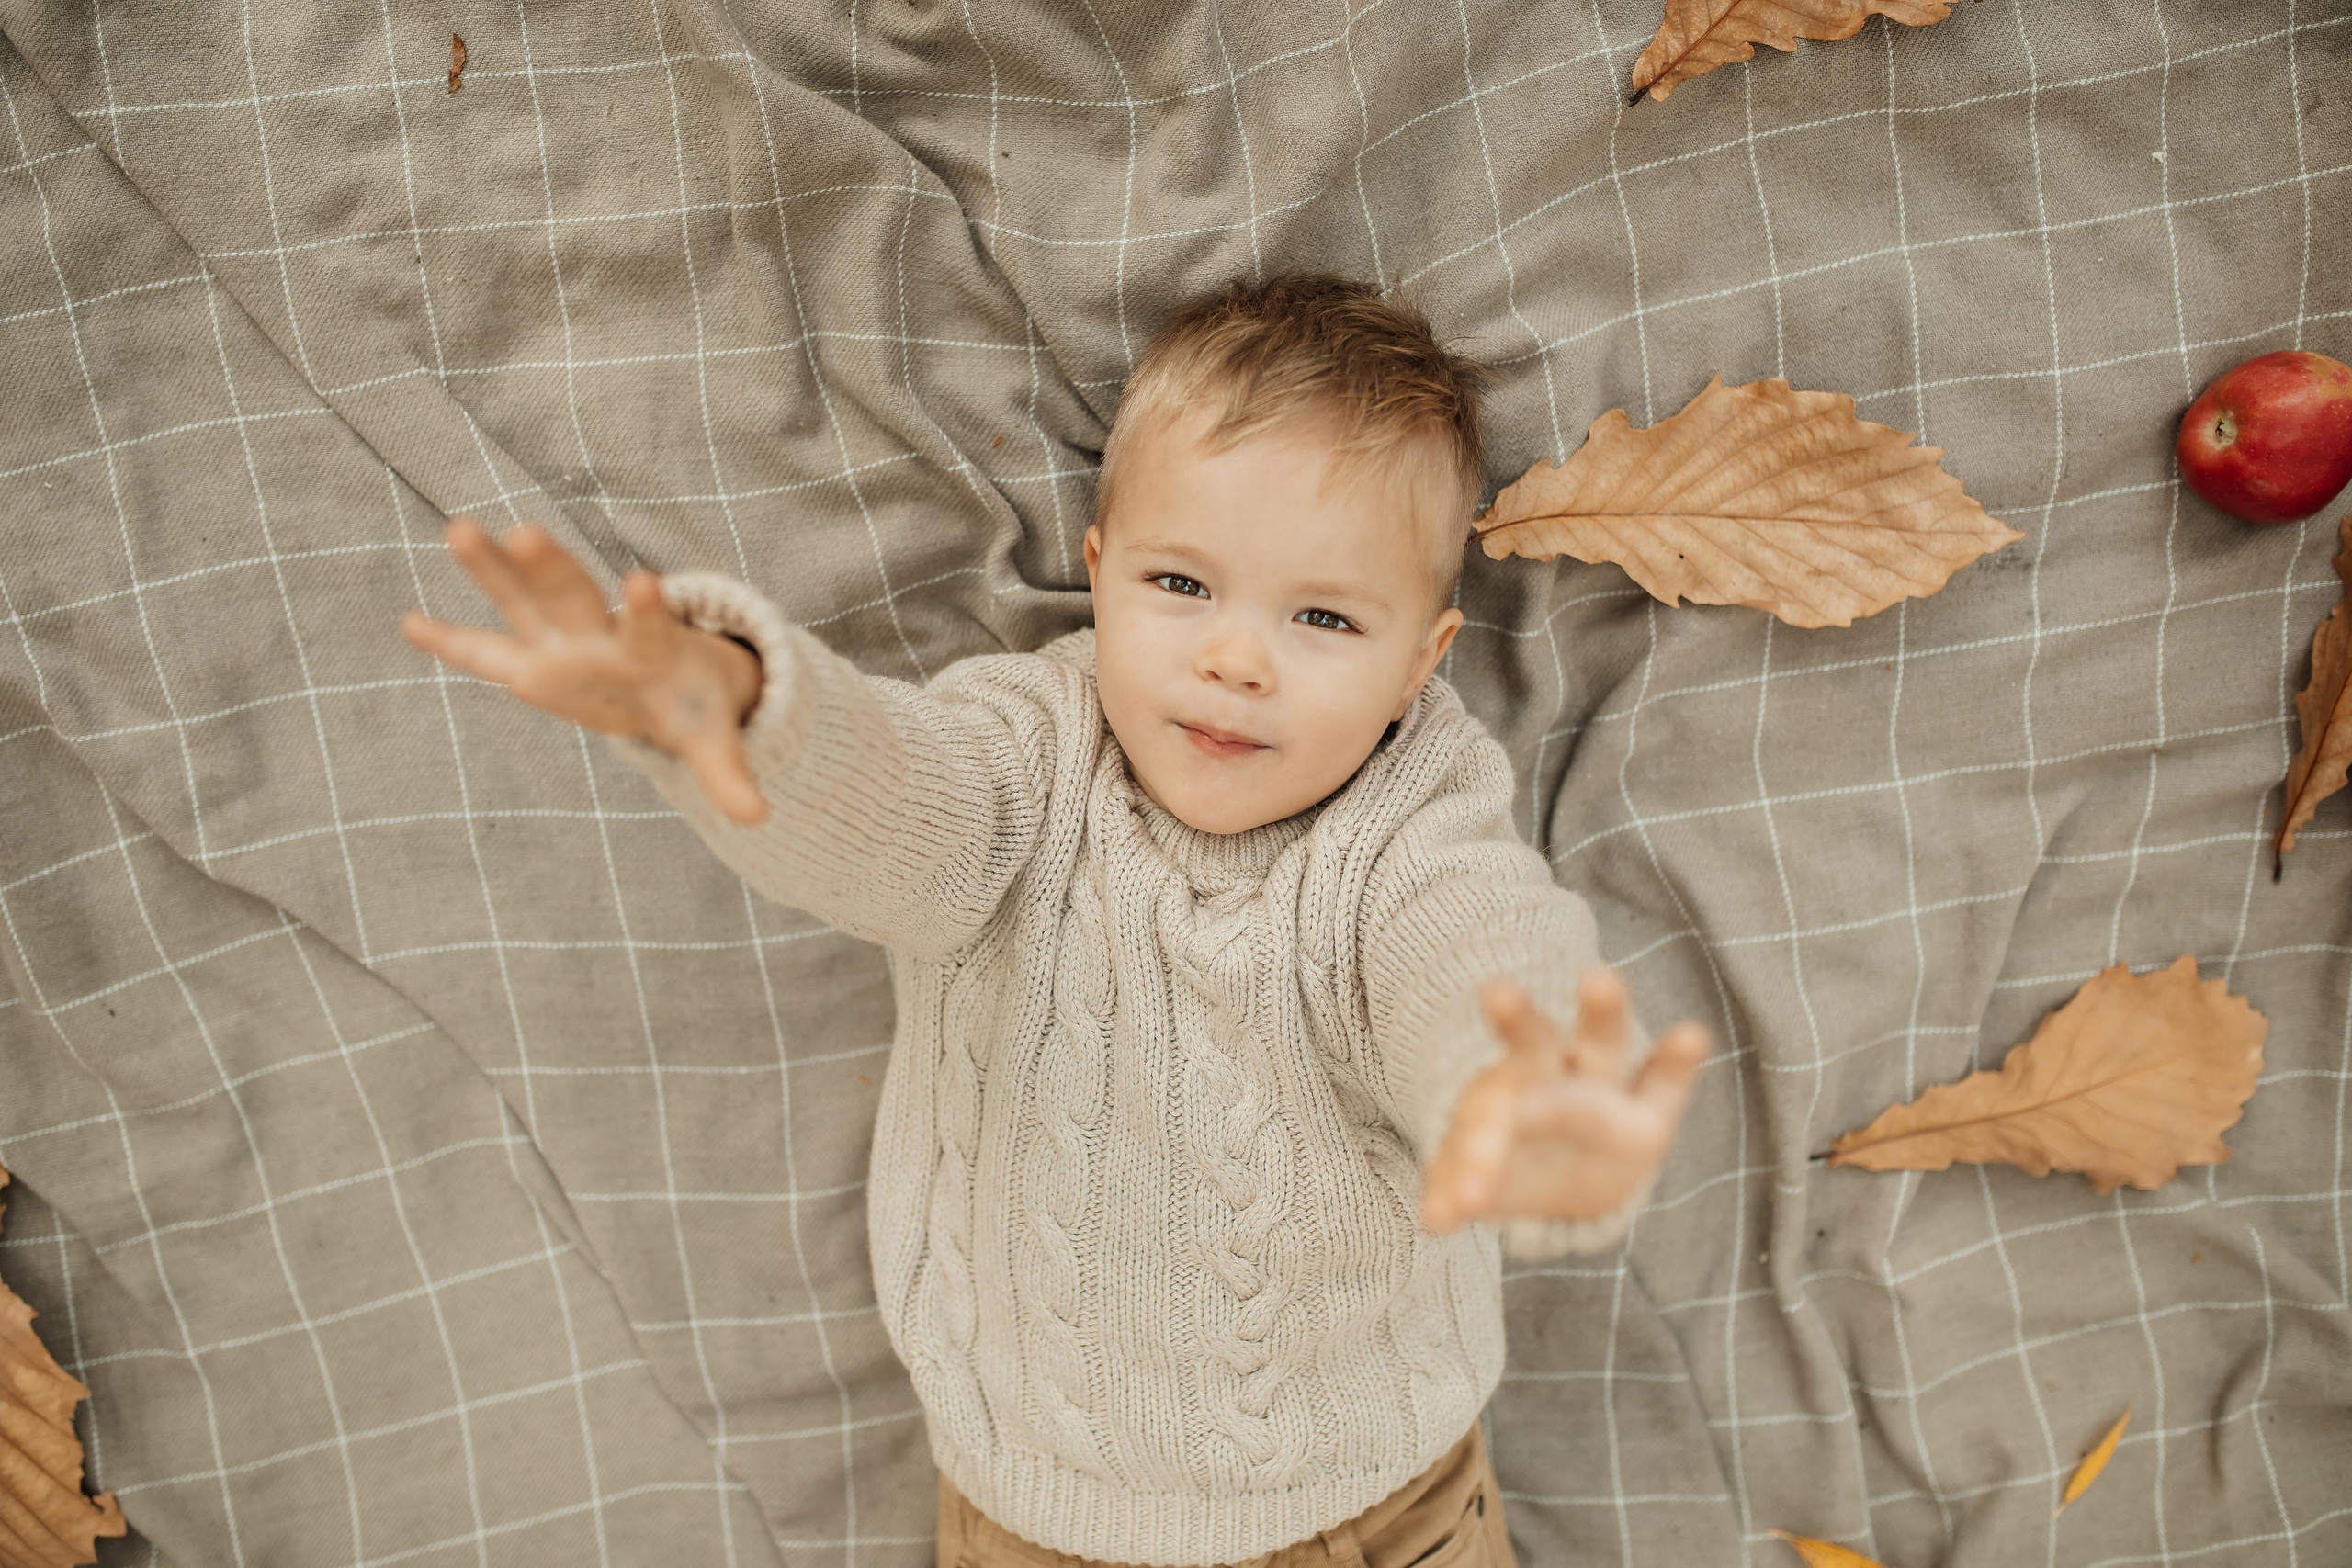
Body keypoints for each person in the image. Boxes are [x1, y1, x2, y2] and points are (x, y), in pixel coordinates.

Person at [401, 275, 1710, 1568]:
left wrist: (1518, 1082)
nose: (1235, 659)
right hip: (1029, 1514)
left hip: (1373, 1504)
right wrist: (735, 701)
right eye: (1181, 584)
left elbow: (1470, 943)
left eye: (1321, 617)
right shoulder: (1025, 761)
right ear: (1098, 573)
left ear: (1418, 665)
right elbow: (890, 794)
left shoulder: (1406, 822)